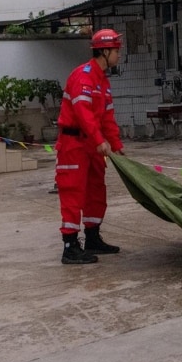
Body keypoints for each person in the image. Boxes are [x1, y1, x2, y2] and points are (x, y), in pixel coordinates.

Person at [55, 28, 125, 264]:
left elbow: (107, 118)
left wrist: (116, 145)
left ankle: (92, 237)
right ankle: (70, 246)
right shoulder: (83, 77)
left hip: (92, 147)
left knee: (96, 191)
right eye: (116, 50)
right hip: (74, 144)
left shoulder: (102, 82)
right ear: (104, 51)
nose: (118, 55)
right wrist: (99, 140)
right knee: (73, 192)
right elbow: (83, 114)